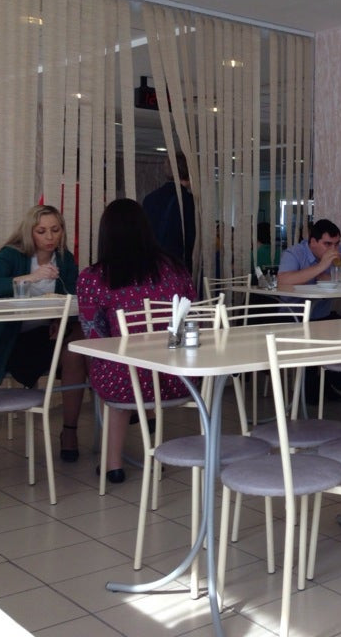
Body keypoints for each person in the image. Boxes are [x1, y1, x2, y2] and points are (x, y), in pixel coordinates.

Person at [77, 198, 196, 483]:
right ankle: (153, 443)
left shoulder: (94, 277)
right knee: (133, 367)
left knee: (112, 364)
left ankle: (112, 465)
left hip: (124, 383)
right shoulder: (175, 269)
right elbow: (192, 317)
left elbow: (94, 336)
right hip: (179, 376)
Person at [0, 204, 88, 463]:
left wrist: (60, 320)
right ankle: (118, 398)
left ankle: (70, 430)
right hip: (12, 341)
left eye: (55, 230)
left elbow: (73, 297)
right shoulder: (12, 255)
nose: (50, 237)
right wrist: (30, 277)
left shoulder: (64, 259)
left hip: (48, 337)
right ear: (30, 232)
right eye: (42, 231)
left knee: (77, 346)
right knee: (77, 349)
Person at [277, 218, 341, 320]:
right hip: (292, 316)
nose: (333, 249)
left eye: (336, 244)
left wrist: (332, 277)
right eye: (327, 244)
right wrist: (321, 266)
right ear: (313, 242)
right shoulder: (294, 253)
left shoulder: (339, 251)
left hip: (323, 316)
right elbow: (283, 280)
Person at [142, 153, 196, 273]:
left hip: (153, 265)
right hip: (178, 266)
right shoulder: (189, 201)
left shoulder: (149, 199)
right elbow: (191, 239)